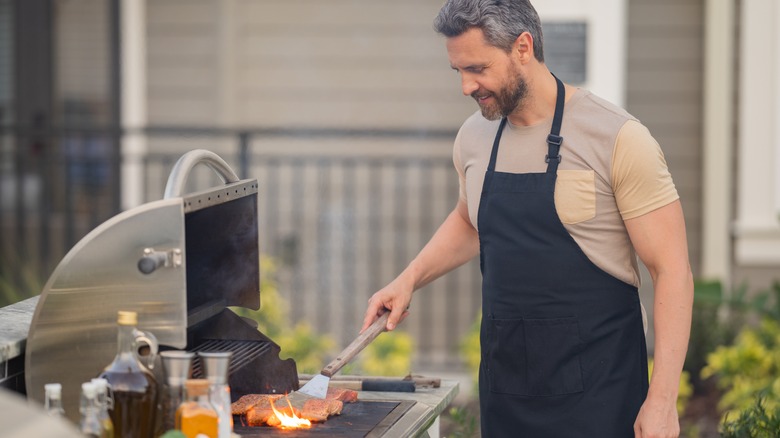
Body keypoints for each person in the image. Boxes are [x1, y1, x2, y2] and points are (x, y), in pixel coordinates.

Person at [361, 0, 694, 436]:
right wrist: (408, 280)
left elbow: (671, 270)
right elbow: (468, 221)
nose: (466, 86)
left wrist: (663, 401)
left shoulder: (617, 137)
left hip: (601, 395)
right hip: (507, 394)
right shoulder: (475, 137)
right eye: (458, 71)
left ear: (523, 47)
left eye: (477, 68)